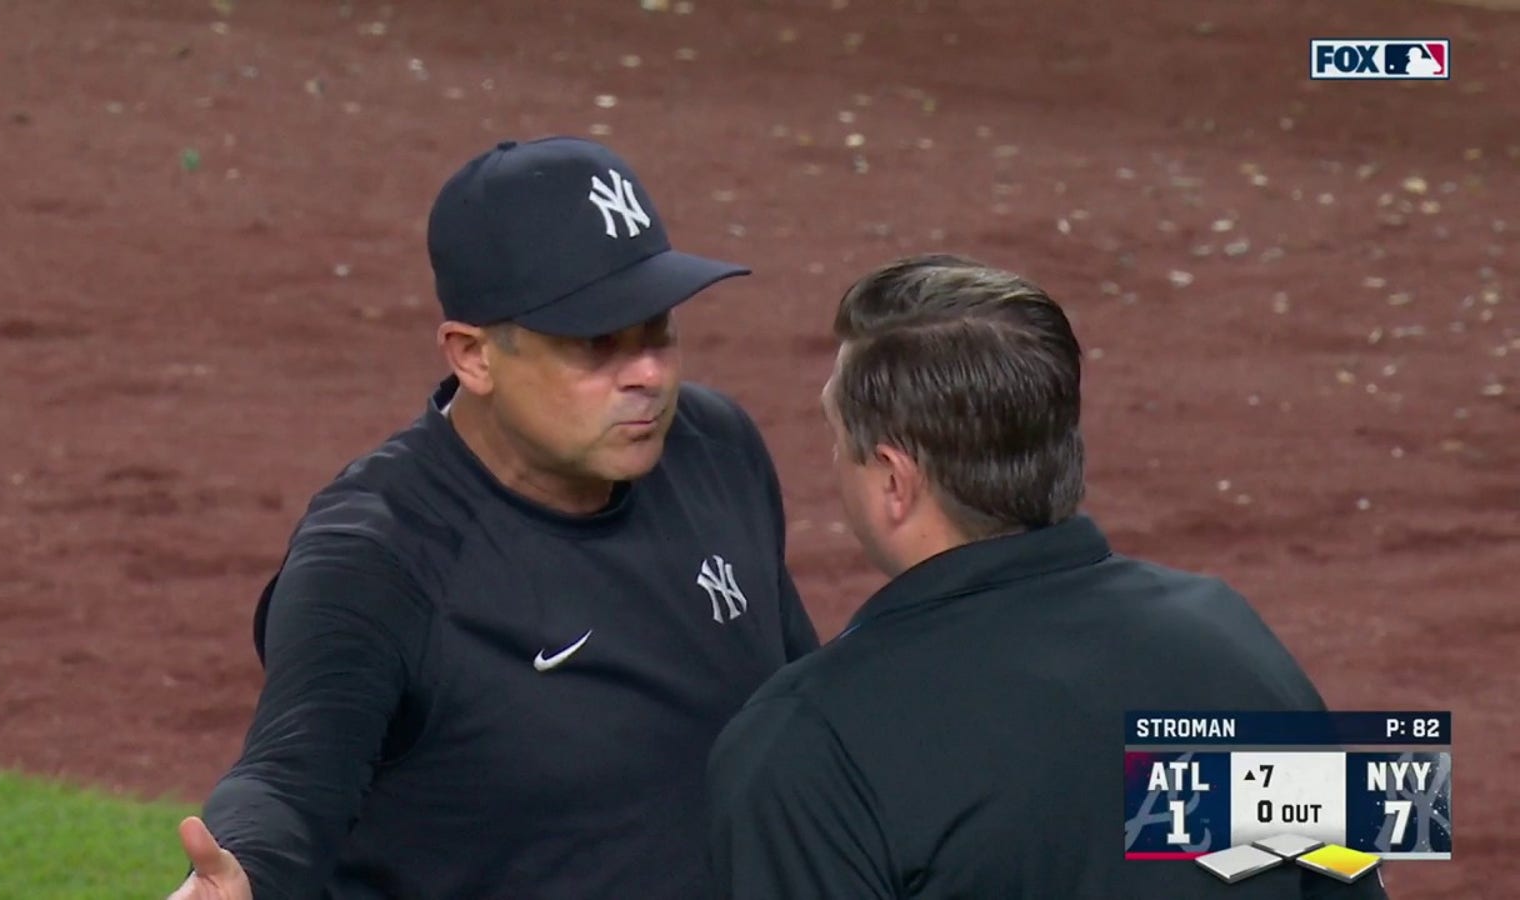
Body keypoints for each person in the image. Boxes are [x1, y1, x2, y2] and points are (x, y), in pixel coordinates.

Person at [167, 136, 820, 899]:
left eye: (658, 331)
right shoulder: (379, 556)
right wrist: (244, 872)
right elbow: (288, 776)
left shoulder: (716, 448)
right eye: (597, 342)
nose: (647, 374)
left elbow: (798, 712)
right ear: (473, 355)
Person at [704, 254, 1390, 899]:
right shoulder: (1232, 643)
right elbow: (1342, 883)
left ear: (893, 480)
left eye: (834, 435)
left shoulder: (810, 750)